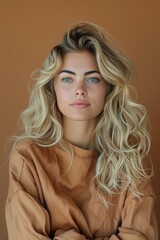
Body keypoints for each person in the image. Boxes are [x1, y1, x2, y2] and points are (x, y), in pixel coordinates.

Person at [5, 22, 158, 240]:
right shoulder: (28, 157)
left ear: (109, 88)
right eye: (67, 79)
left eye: (92, 78)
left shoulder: (129, 159)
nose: (79, 90)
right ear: (53, 88)